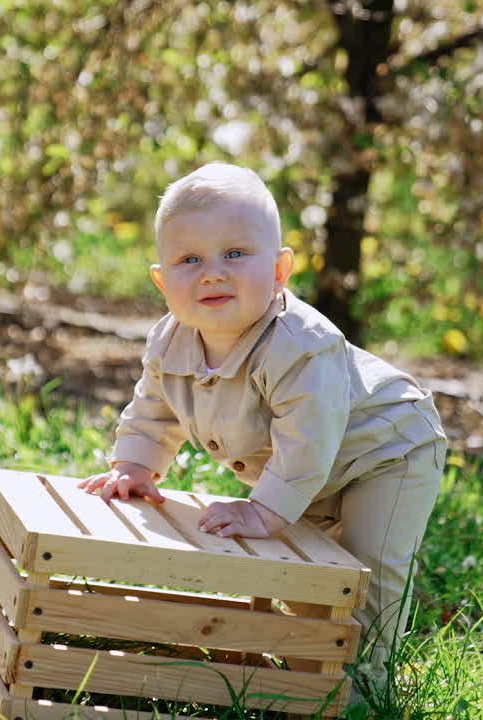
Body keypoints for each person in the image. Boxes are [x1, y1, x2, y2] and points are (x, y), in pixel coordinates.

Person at [77, 161, 447, 691]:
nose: (212, 272)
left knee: (368, 569)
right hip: (310, 468)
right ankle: (310, 665)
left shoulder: (300, 345)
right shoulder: (171, 338)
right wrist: (135, 465)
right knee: (305, 572)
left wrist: (266, 508)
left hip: (387, 450)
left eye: (234, 253)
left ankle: (365, 682)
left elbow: (308, 435)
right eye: (189, 259)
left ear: (278, 270)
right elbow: (155, 405)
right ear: (162, 281)